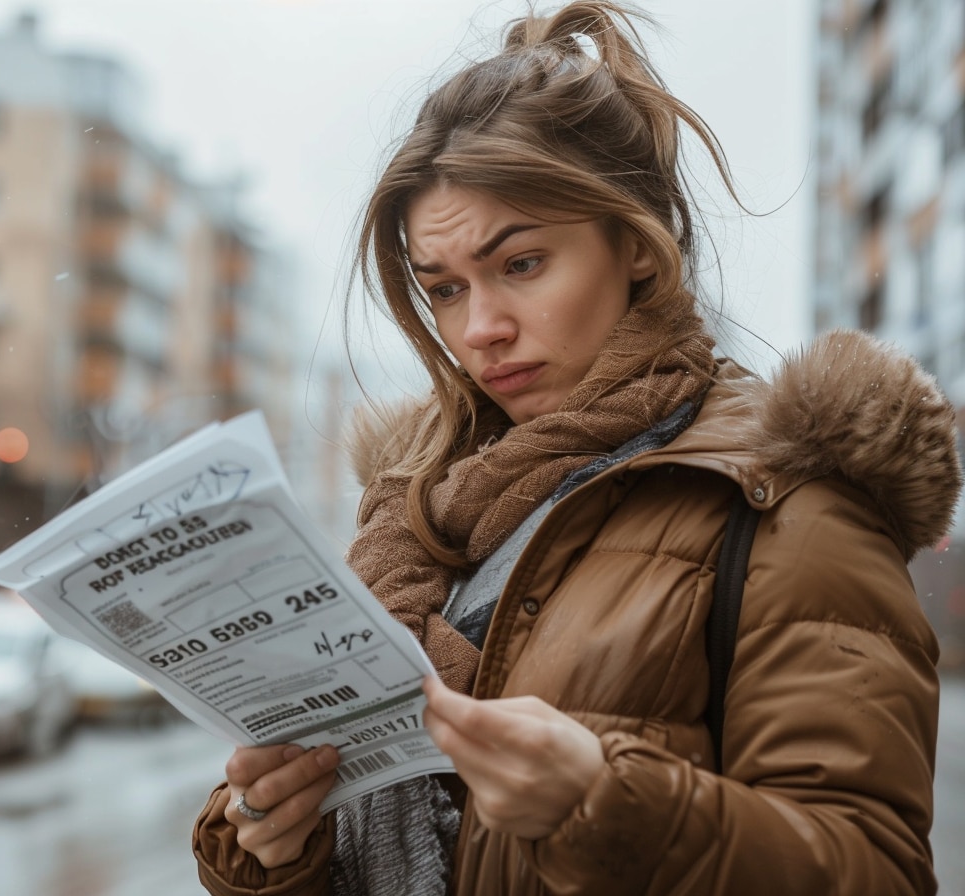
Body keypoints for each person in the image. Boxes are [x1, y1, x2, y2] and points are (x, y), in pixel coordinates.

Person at [192, 1, 961, 893]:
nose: (479, 329)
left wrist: (604, 801)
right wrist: (274, 841)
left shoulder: (787, 501)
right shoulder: (415, 515)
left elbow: (874, 870)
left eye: (520, 264)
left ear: (634, 243)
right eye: (443, 288)